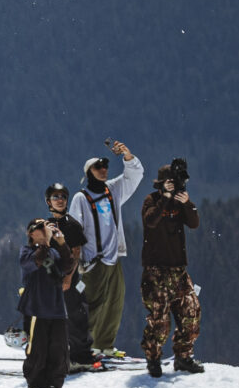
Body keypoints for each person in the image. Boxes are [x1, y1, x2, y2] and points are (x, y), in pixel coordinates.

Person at [71, 141, 143, 362]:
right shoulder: (81, 198)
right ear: (89, 172)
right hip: (93, 260)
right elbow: (74, 229)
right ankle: (80, 347)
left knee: (114, 303)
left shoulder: (112, 189)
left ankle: (104, 345)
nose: (103, 170)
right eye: (98, 167)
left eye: (105, 166)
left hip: (113, 258)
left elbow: (134, 177)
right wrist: (76, 261)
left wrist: (128, 156)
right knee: (91, 305)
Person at [139, 157, 204, 375]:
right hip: (156, 270)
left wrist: (187, 203)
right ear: (161, 184)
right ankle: (153, 359)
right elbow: (150, 221)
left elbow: (194, 223)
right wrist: (165, 199)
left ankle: (183, 357)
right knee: (160, 319)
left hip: (178, 269)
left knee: (191, 312)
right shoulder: (151, 200)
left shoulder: (179, 202)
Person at [17, 217, 73, 388]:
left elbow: (68, 266)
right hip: (36, 310)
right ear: (31, 233)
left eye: (46, 227)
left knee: (59, 350)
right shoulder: (27, 252)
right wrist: (47, 243)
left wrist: (62, 243)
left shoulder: (54, 252)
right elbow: (36, 261)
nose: (45, 230)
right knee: (37, 351)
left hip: (57, 309)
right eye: (41, 227)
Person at [43, 183, 97, 370]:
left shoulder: (72, 225)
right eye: (55, 197)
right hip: (51, 279)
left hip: (69, 279)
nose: (60, 200)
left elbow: (76, 252)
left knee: (76, 316)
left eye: (63, 197)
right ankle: (58, 354)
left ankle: (81, 356)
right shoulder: (47, 225)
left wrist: (67, 278)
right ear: (48, 201)